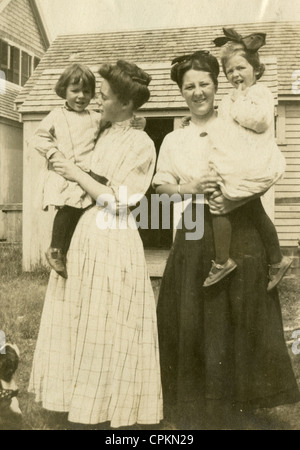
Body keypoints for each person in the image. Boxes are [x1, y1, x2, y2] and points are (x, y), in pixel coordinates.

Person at [152, 50, 300, 429]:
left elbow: (264, 169)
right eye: (189, 87)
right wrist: (190, 186)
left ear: (217, 85)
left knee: (242, 311)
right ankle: (199, 402)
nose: (198, 92)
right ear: (181, 92)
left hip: (243, 223)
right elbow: (162, 188)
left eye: (204, 84)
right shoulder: (174, 139)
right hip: (197, 227)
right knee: (195, 313)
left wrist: (235, 195)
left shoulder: (238, 120)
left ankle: (243, 403)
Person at [29, 60, 163, 429]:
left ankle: (106, 406)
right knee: (78, 319)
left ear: (125, 103)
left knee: (108, 322)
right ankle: (75, 400)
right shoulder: (96, 131)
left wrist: (73, 171)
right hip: (83, 234)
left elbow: (119, 199)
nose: (95, 101)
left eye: (102, 96)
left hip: (112, 235)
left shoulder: (141, 143)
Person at [32, 63, 145, 278]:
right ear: (63, 90)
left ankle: (66, 251)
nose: (81, 96)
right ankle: (55, 248)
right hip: (66, 170)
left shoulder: (95, 117)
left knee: (80, 213)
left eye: (87, 92)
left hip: (88, 173)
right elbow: (39, 137)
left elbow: (116, 124)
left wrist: (138, 122)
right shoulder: (56, 116)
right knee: (67, 209)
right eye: (74, 91)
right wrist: (53, 154)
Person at [200, 28, 291, 289]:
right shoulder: (229, 99)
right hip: (239, 158)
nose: (236, 75)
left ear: (255, 69)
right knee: (253, 208)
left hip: (254, 159)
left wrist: (239, 99)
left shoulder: (260, 93)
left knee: (219, 200)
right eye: (230, 71)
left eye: (241, 68)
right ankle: (276, 260)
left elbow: (260, 121)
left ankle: (221, 261)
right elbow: (225, 127)